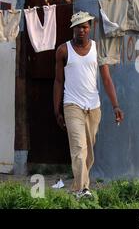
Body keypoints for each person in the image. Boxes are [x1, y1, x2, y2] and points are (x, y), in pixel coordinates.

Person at [53, 11, 124, 198]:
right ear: (73, 29)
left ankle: (77, 186)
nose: (82, 30)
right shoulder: (63, 50)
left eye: (85, 27)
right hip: (72, 105)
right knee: (78, 148)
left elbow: (106, 79)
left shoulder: (97, 49)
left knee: (89, 152)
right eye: (78, 27)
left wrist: (115, 105)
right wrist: (57, 109)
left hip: (93, 106)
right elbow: (58, 81)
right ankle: (83, 189)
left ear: (90, 28)